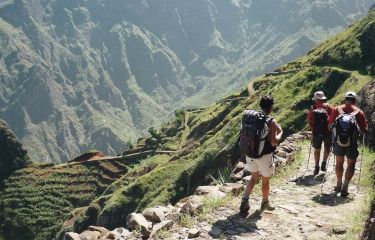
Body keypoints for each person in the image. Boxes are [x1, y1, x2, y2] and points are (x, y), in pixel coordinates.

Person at [240, 96, 283, 213]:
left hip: (250, 153)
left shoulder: (253, 118)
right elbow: (274, 142)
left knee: (253, 178)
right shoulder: (271, 121)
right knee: (265, 180)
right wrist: (281, 132)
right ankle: (264, 202)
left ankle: (244, 201)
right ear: (271, 107)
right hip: (264, 156)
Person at [329, 91, 368, 197]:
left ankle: (338, 184)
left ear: (345, 99)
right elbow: (364, 130)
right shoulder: (359, 112)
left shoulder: (337, 109)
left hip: (338, 142)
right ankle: (345, 188)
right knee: (351, 165)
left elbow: (330, 125)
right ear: (355, 100)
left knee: (339, 163)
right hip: (352, 143)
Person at [307, 91, 335, 175]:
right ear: (323, 98)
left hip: (316, 132)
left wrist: (313, 129)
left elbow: (309, 119)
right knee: (327, 148)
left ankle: (316, 167)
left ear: (316, 99)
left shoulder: (313, 107)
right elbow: (334, 118)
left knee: (317, 149)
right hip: (327, 132)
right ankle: (324, 163)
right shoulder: (330, 107)